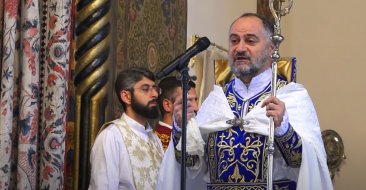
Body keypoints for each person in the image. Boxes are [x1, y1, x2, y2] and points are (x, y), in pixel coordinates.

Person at [156, 13, 333, 190]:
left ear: (271, 48)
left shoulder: (291, 97)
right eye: (234, 41)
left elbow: (305, 166)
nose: (240, 48)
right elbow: (189, 165)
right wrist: (180, 129)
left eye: (250, 40)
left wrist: (283, 129)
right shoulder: (216, 100)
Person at [89, 67, 164, 190]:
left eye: (154, 88)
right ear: (126, 96)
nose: (155, 94)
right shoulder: (111, 136)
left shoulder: (155, 139)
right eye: (146, 89)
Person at [154, 76, 198, 151]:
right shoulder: (155, 143)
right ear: (167, 105)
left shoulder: (195, 136)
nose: (196, 108)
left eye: (196, 100)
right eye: (188, 100)